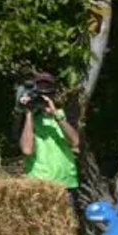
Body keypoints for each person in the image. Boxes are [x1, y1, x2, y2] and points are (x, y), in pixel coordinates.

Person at [16, 72, 82, 213]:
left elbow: (75, 142)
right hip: (39, 184)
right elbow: (27, 149)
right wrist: (29, 114)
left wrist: (56, 115)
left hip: (66, 184)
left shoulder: (63, 115)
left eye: (48, 90)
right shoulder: (27, 120)